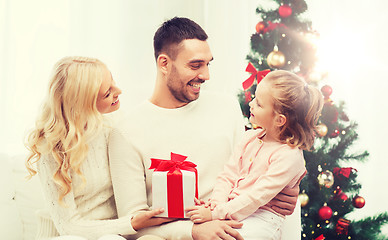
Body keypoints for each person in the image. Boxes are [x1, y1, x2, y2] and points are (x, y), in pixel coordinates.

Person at [108, 17, 301, 240]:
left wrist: (286, 189)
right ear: (164, 63)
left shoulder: (226, 106)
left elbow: (252, 167)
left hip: (236, 227)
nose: (206, 75)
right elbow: (132, 223)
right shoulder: (126, 131)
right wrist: (193, 231)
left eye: (208, 64)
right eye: (195, 65)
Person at [25, 56, 170, 240]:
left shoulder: (115, 123)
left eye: (113, 81)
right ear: (82, 104)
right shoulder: (52, 146)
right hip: (69, 235)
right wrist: (131, 223)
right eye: (107, 93)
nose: (119, 91)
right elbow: (68, 226)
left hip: (112, 233)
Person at [185, 70, 323, 239]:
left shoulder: (289, 156)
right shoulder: (249, 137)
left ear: (279, 120)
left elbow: (257, 197)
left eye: (258, 103)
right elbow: (228, 175)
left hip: (263, 219)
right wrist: (216, 206)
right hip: (231, 208)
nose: (251, 104)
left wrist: (216, 214)